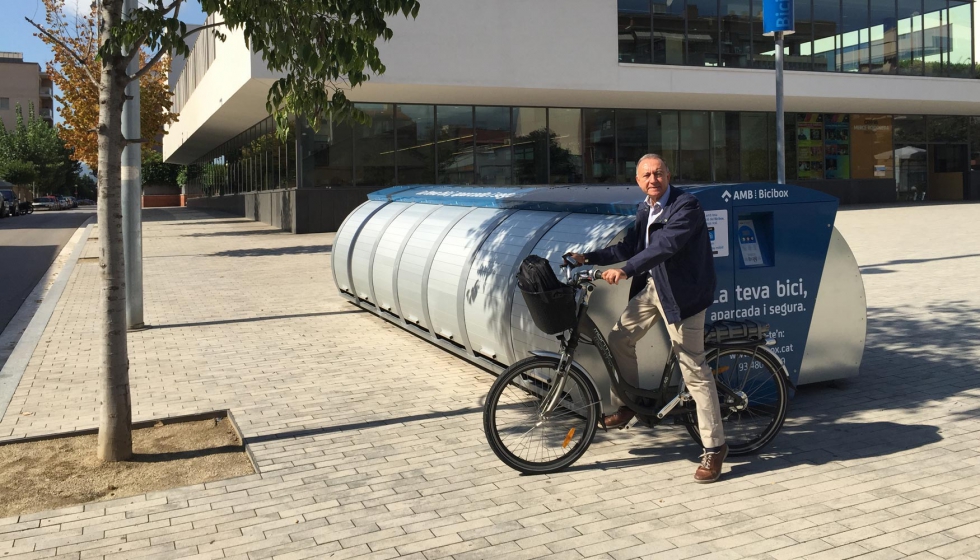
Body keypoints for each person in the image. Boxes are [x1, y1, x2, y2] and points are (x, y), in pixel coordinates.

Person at [567, 154, 728, 483]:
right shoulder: (646, 208)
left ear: (669, 174)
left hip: (684, 296)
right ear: (638, 180)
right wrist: (588, 257)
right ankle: (632, 404)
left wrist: (625, 270)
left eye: (658, 173)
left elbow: (665, 245)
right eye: (646, 176)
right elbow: (630, 245)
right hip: (656, 288)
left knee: (694, 369)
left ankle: (715, 447)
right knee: (619, 338)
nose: (652, 180)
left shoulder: (687, 206)